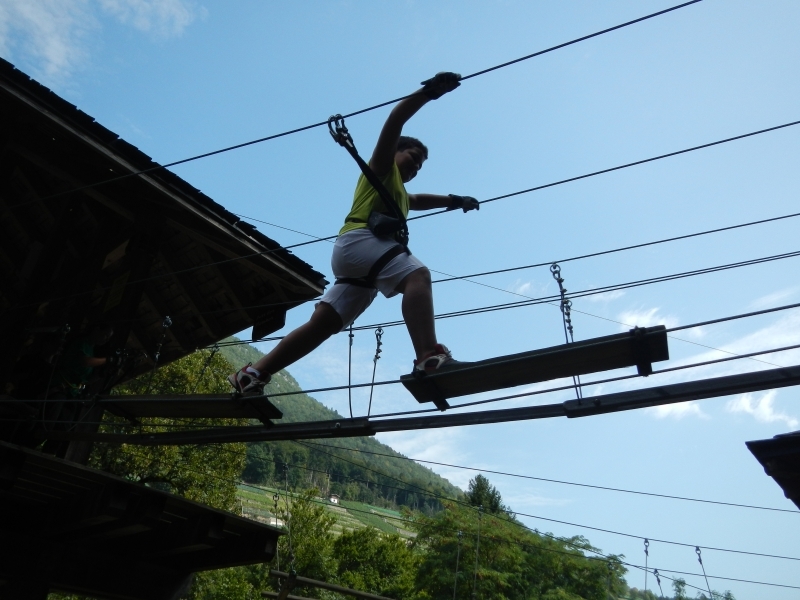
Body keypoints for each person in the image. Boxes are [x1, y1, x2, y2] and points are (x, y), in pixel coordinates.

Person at [229, 72, 479, 395]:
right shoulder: (380, 168)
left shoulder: (401, 194)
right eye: (412, 157)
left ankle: (253, 374)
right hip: (362, 242)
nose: (416, 166)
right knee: (418, 277)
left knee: (323, 325)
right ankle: (429, 357)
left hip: (356, 263)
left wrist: (456, 201)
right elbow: (396, 118)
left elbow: (419, 200)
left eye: (420, 166)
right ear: (394, 153)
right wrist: (430, 92)